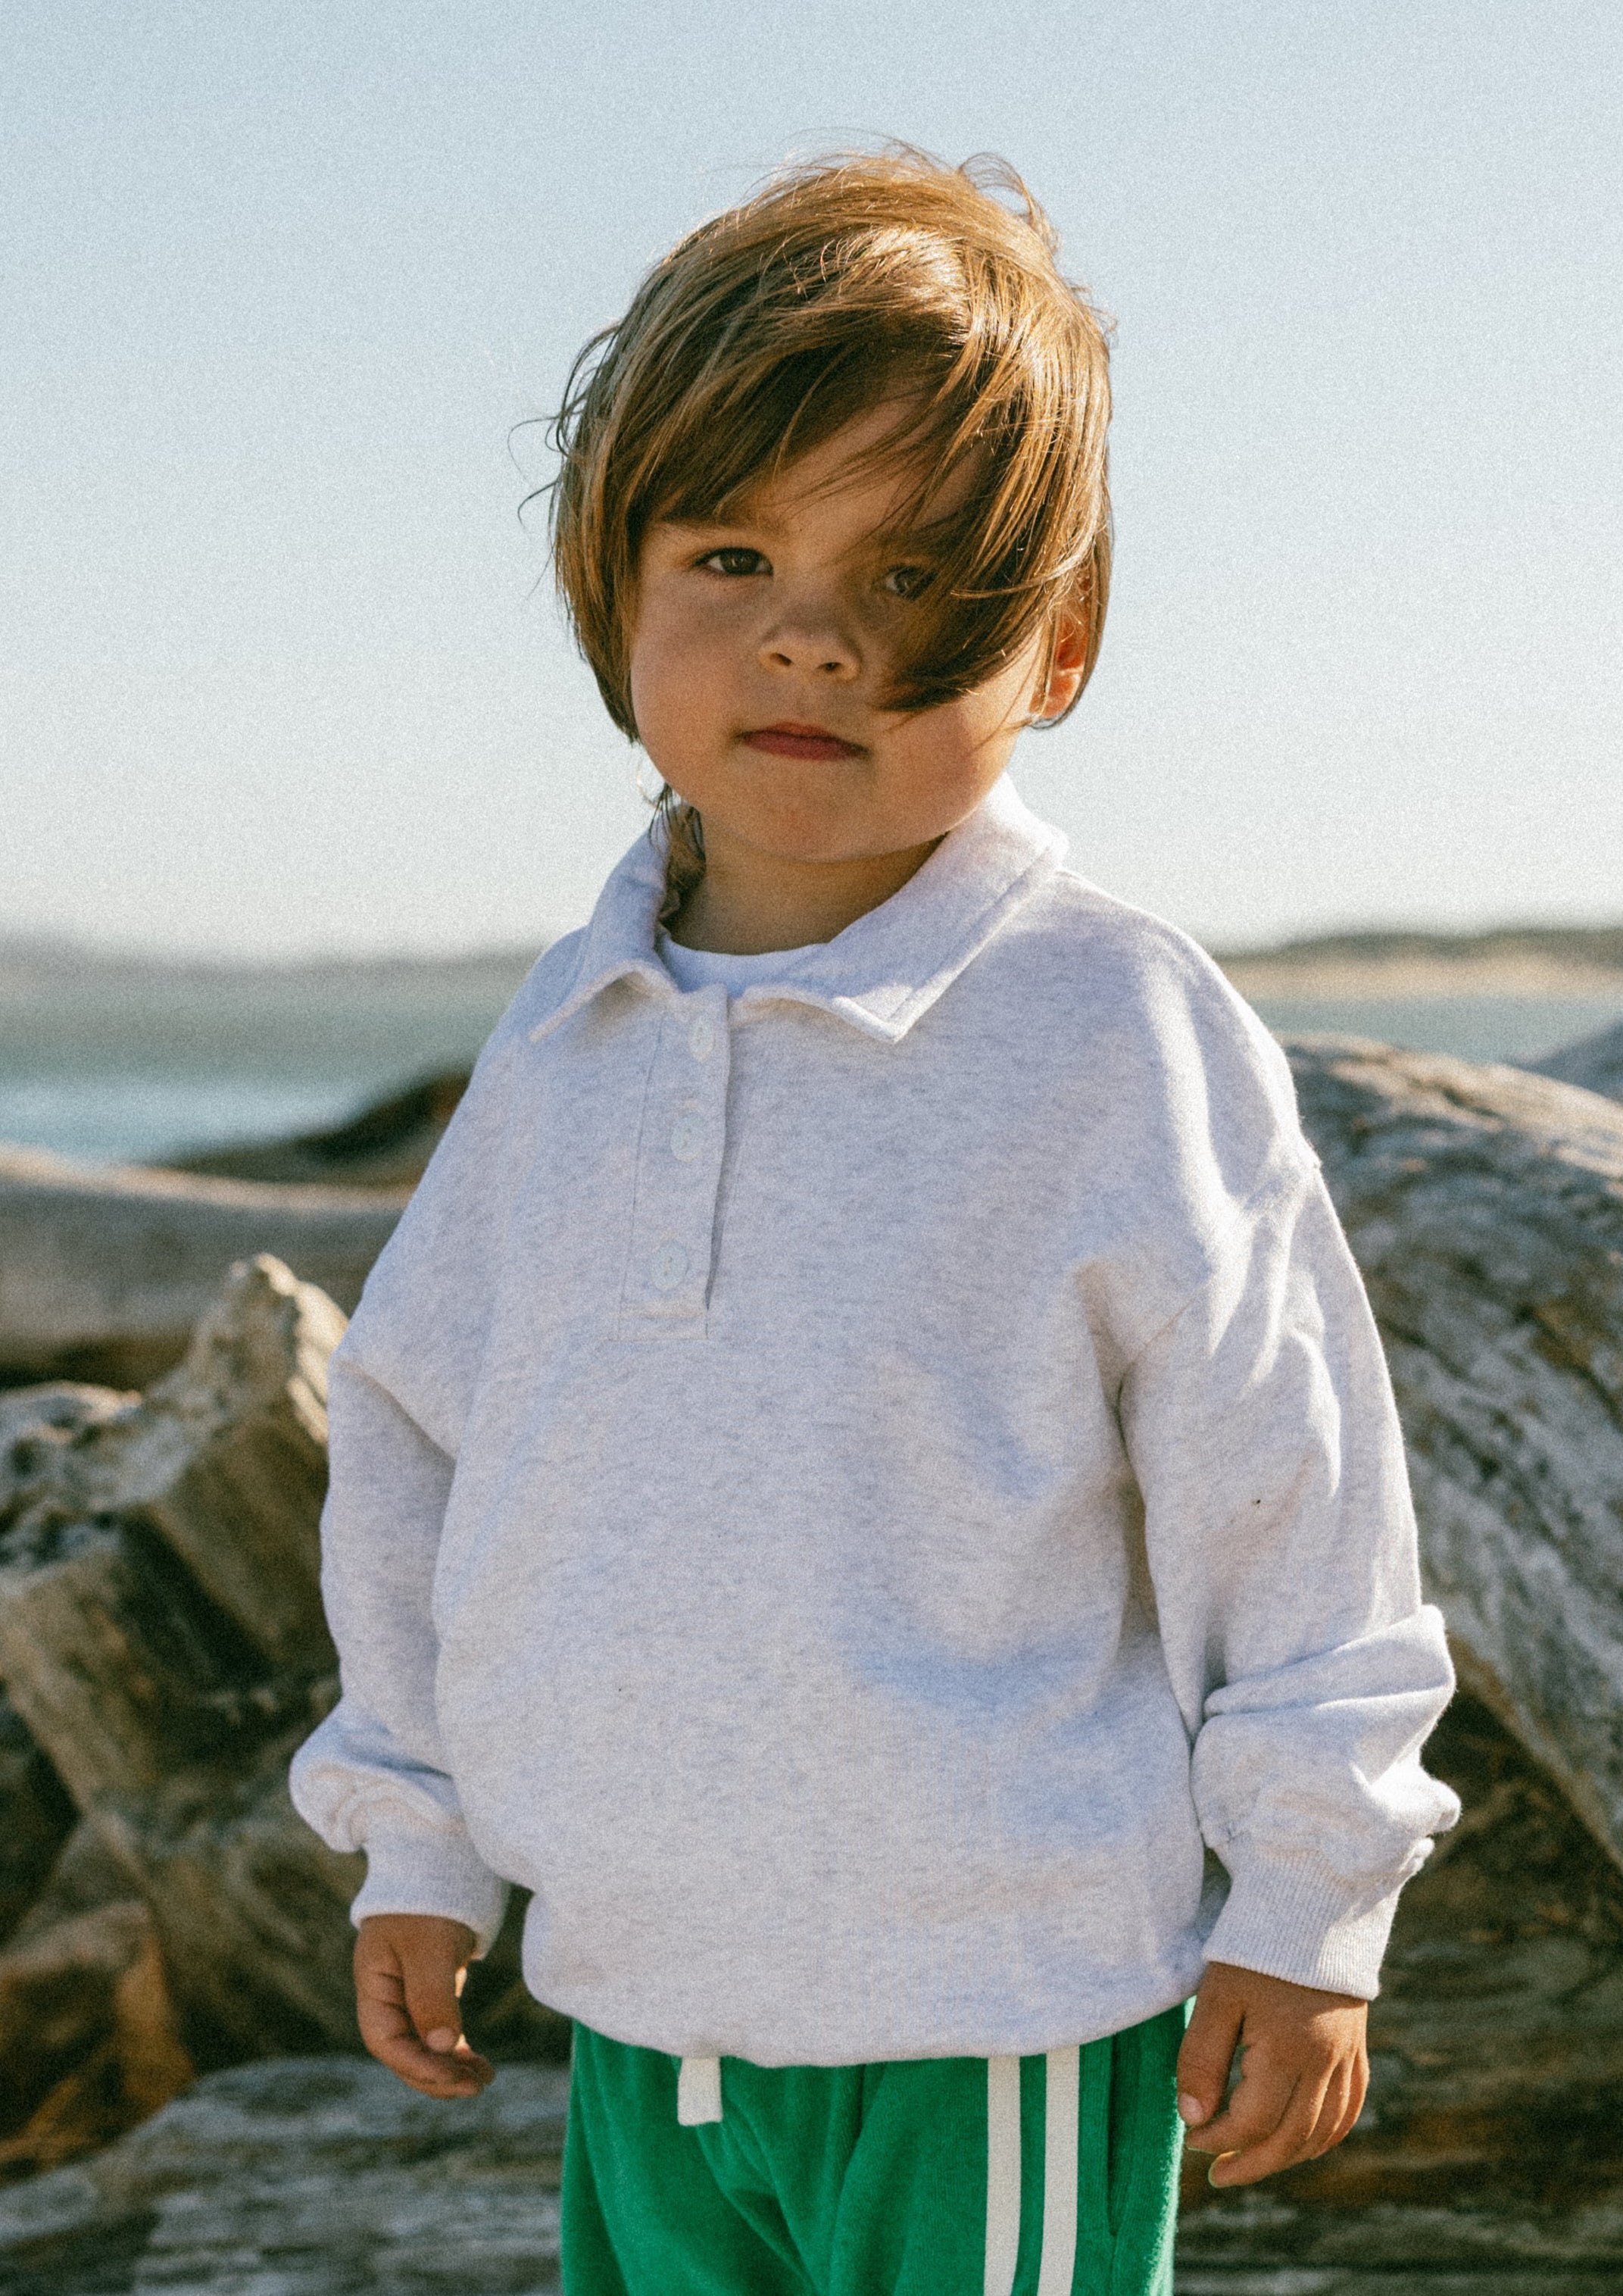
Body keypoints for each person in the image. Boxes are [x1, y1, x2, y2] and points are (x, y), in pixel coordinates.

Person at [291, 147, 1459, 2296]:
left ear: (1058, 645)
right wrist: (417, 1828)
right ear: (611, 593)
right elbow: (417, 1435)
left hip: (990, 2016)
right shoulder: (567, 1035)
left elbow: (1291, 1495)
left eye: (914, 578)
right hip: (644, 2016)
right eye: (732, 554)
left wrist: (1311, 1902)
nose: (813, 633)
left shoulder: (1108, 1026)